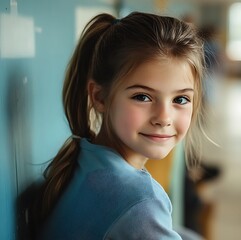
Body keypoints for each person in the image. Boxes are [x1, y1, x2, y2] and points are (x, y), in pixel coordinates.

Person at [34, 12, 206, 240]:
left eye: (180, 99)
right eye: (142, 97)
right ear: (99, 97)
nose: (164, 118)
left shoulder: (84, 158)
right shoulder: (142, 202)